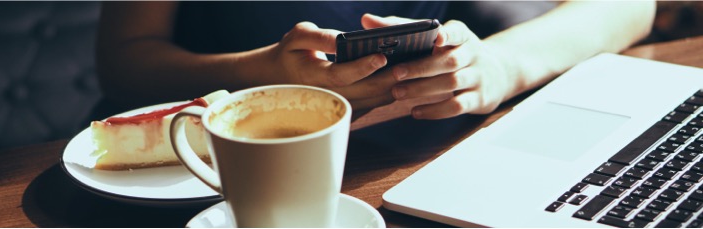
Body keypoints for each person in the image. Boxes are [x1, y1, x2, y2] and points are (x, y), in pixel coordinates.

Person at [95, 1, 655, 120]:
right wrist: (263, 75)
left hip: (397, 160)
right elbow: (123, 65)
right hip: (206, 170)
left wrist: (498, 67)